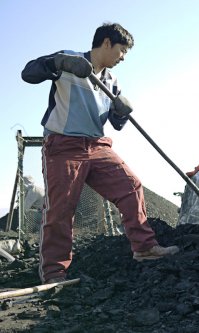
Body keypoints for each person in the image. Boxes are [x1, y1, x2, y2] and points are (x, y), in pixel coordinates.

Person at [21, 23, 179, 284]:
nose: (123, 58)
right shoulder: (69, 59)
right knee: (60, 210)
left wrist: (121, 111)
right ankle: (54, 272)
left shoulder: (111, 81)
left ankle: (144, 248)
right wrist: (58, 63)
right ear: (107, 43)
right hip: (63, 145)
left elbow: (115, 123)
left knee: (131, 187)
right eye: (122, 50)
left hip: (97, 146)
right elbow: (28, 73)